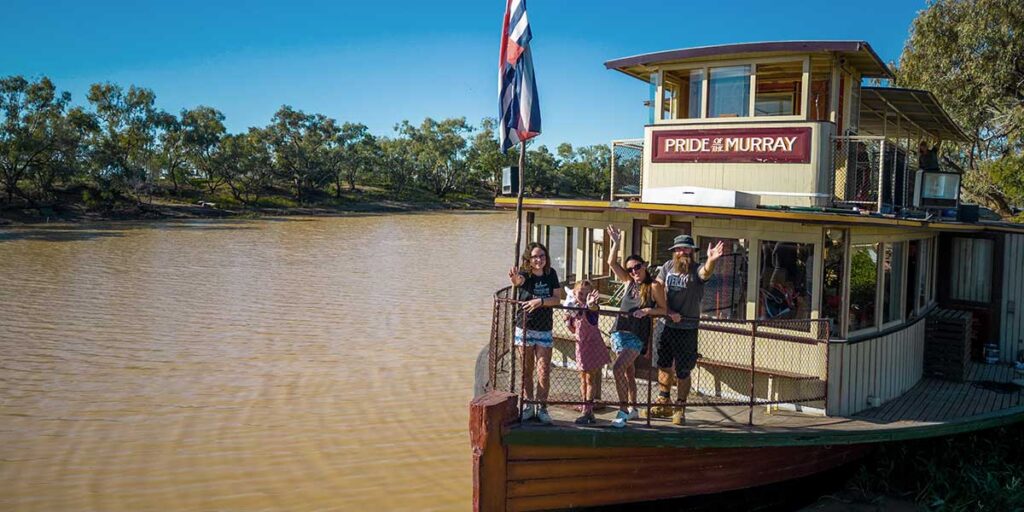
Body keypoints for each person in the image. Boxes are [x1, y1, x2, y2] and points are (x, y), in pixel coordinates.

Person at [652, 234, 725, 425]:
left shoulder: (696, 269)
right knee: (663, 365)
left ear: (692, 251)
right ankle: (663, 401)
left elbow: (706, 273)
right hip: (665, 325)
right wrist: (666, 311)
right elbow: (657, 287)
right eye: (678, 249)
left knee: (683, 370)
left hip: (687, 327)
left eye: (685, 248)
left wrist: (711, 260)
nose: (681, 252)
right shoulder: (667, 266)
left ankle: (680, 407)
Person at [605, 225, 663, 428]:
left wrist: (647, 311)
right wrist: (616, 243)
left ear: (644, 266)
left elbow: (663, 309)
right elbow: (611, 262)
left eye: (637, 267)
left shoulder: (653, 286)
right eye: (630, 269)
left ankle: (622, 410)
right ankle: (634, 409)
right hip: (619, 333)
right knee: (628, 372)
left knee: (617, 367)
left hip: (636, 337)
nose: (634, 271)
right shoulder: (629, 282)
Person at [508, 242, 565, 424]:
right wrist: (515, 279)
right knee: (526, 370)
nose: (539, 260)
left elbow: (556, 299)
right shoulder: (526, 274)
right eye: (535, 257)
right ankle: (528, 405)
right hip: (524, 326)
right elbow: (519, 282)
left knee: (543, 371)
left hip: (544, 328)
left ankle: (542, 407)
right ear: (529, 259)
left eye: (541, 256)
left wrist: (539, 301)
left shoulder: (551, 274)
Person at [564, 280, 609, 425]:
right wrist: (567, 320)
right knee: (582, 378)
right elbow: (573, 329)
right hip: (580, 346)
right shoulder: (574, 309)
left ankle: (588, 410)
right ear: (575, 293)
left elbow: (593, 309)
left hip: (592, 345)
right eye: (580, 293)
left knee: (590, 378)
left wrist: (591, 304)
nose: (583, 296)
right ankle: (584, 404)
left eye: (586, 293)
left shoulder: (591, 308)